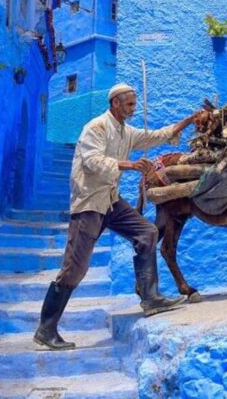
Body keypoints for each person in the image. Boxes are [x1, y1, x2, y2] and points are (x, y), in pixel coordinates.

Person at [34, 83, 198, 350]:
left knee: (147, 232)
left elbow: (155, 136)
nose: (133, 109)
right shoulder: (95, 128)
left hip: (110, 200)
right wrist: (129, 165)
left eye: (135, 104)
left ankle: (150, 297)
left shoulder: (126, 131)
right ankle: (46, 329)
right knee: (75, 268)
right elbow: (92, 161)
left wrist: (187, 122)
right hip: (89, 203)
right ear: (115, 104)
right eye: (130, 104)